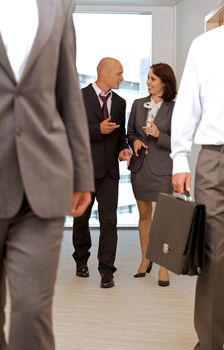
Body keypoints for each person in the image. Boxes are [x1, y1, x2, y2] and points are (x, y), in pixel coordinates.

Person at [0, 1, 95, 349]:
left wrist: (82, 173)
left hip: (45, 177)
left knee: (31, 308)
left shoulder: (59, 5)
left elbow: (68, 90)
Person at [171, 18, 224, 350]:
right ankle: (210, 345)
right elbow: (187, 106)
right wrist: (179, 158)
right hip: (217, 162)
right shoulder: (207, 44)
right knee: (212, 258)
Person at [72, 57, 131, 289]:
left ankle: (107, 270)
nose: (122, 77)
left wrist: (123, 148)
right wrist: (97, 129)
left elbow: (121, 133)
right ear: (104, 73)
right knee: (81, 220)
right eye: (119, 73)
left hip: (109, 173)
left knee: (109, 222)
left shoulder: (120, 102)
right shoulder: (78, 97)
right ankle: (81, 261)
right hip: (84, 171)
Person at [127, 63, 177, 286]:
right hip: (140, 169)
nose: (148, 82)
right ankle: (145, 259)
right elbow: (129, 132)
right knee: (144, 215)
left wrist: (159, 134)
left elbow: (179, 141)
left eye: (153, 79)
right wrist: (135, 140)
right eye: (148, 78)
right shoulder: (138, 105)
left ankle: (164, 266)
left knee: (164, 220)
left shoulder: (175, 108)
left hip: (162, 170)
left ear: (164, 83)